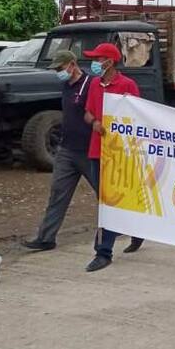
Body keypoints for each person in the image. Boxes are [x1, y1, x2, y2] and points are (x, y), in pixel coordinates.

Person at [22, 51, 95, 251]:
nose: (58, 73)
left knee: (106, 195)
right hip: (67, 150)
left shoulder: (92, 84)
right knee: (57, 194)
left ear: (72, 64)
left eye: (60, 68)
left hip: (89, 151)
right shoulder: (66, 85)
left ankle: (132, 232)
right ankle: (46, 238)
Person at [82, 43, 145, 272]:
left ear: (109, 61)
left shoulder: (127, 85)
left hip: (119, 153)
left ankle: (103, 252)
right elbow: (88, 112)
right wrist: (95, 122)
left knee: (109, 204)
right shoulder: (94, 85)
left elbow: (138, 116)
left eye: (98, 59)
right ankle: (137, 231)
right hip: (97, 150)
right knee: (106, 200)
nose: (95, 63)